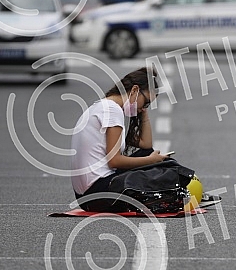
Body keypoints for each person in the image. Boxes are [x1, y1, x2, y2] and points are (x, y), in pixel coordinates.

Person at [71, 67, 171, 212]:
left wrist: (143, 112)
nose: (144, 108)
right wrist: (151, 160)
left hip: (87, 196)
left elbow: (146, 145)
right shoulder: (112, 110)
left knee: (150, 157)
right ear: (135, 90)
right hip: (98, 193)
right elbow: (114, 161)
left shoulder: (104, 106)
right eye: (146, 102)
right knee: (163, 167)